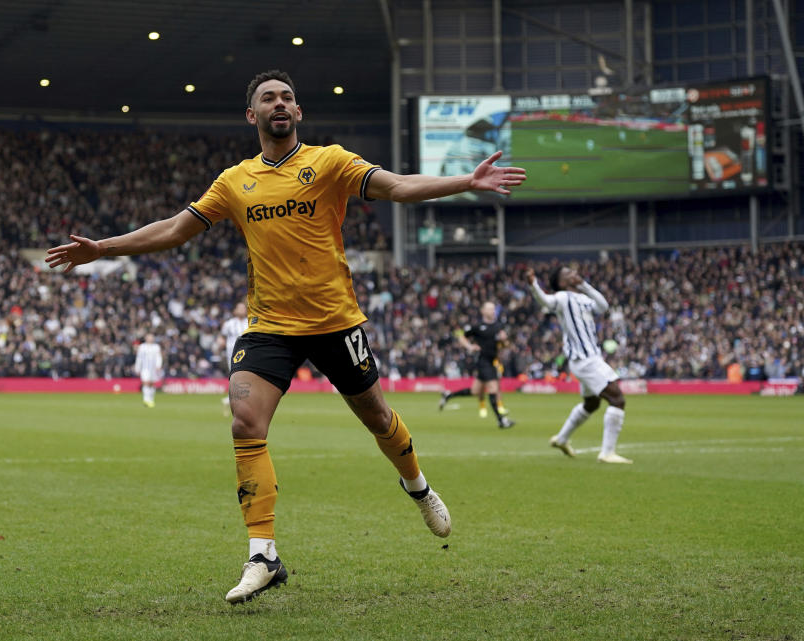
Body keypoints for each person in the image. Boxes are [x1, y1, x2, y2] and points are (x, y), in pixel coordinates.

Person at [46, 69, 527, 604]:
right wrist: (103, 249)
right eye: (268, 98)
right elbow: (175, 229)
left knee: (377, 417)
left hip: (336, 321)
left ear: (299, 113)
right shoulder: (234, 181)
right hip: (270, 325)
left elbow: (395, 187)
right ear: (251, 115)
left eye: (288, 97)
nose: (280, 103)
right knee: (244, 418)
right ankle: (263, 555)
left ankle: (417, 486)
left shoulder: (329, 162)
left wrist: (465, 181)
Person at [525, 266, 632, 464]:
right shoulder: (562, 298)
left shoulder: (583, 299)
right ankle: (607, 453)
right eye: (567, 274)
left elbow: (603, 306)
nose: (573, 273)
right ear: (562, 283)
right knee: (617, 399)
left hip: (588, 359)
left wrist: (583, 285)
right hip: (585, 360)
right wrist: (534, 285)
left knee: (591, 404)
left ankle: (561, 439)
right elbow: (546, 301)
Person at [439, 301, 515, 429]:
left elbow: (505, 344)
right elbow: (461, 337)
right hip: (482, 361)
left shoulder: (498, 326)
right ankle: (501, 421)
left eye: (493, 309)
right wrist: (469, 346)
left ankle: (448, 395)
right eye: (490, 309)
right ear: (483, 311)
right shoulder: (478, 326)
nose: (492, 311)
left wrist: (505, 340)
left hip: (492, 361)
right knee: (493, 388)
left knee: (475, 391)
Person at [220, 302, 250, 416]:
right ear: (235, 310)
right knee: (234, 376)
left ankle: (233, 399)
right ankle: (234, 400)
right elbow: (222, 337)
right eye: (239, 308)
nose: (242, 310)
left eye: (243, 308)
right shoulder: (228, 324)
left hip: (247, 352)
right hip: (232, 354)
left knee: (246, 376)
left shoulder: (249, 322)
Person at [134, 334, 163, 408]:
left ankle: (151, 399)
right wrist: (137, 367)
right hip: (145, 368)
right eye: (149, 338)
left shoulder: (156, 347)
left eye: (152, 338)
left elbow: (159, 357)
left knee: (152, 384)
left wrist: (158, 365)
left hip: (153, 368)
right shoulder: (142, 347)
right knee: (145, 383)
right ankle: (146, 400)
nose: (150, 339)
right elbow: (139, 358)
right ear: (146, 339)